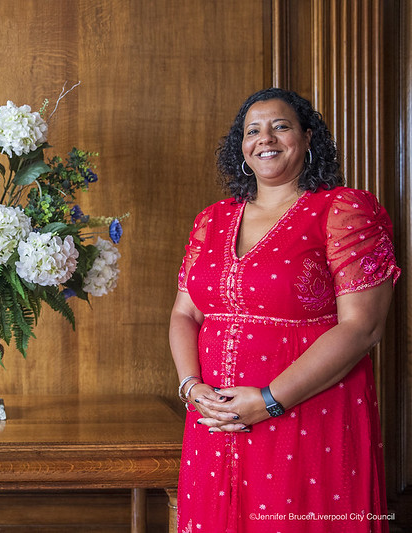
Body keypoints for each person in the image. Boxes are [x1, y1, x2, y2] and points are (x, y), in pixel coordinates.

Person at [169, 88, 400, 533]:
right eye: (252, 130)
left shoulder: (342, 209)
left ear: (308, 138)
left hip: (308, 413)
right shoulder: (212, 218)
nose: (265, 138)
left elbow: (363, 327)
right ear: (241, 146)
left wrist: (271, 400)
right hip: (216, 421)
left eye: (281, 126)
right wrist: (190, 387)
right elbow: (185, 313)